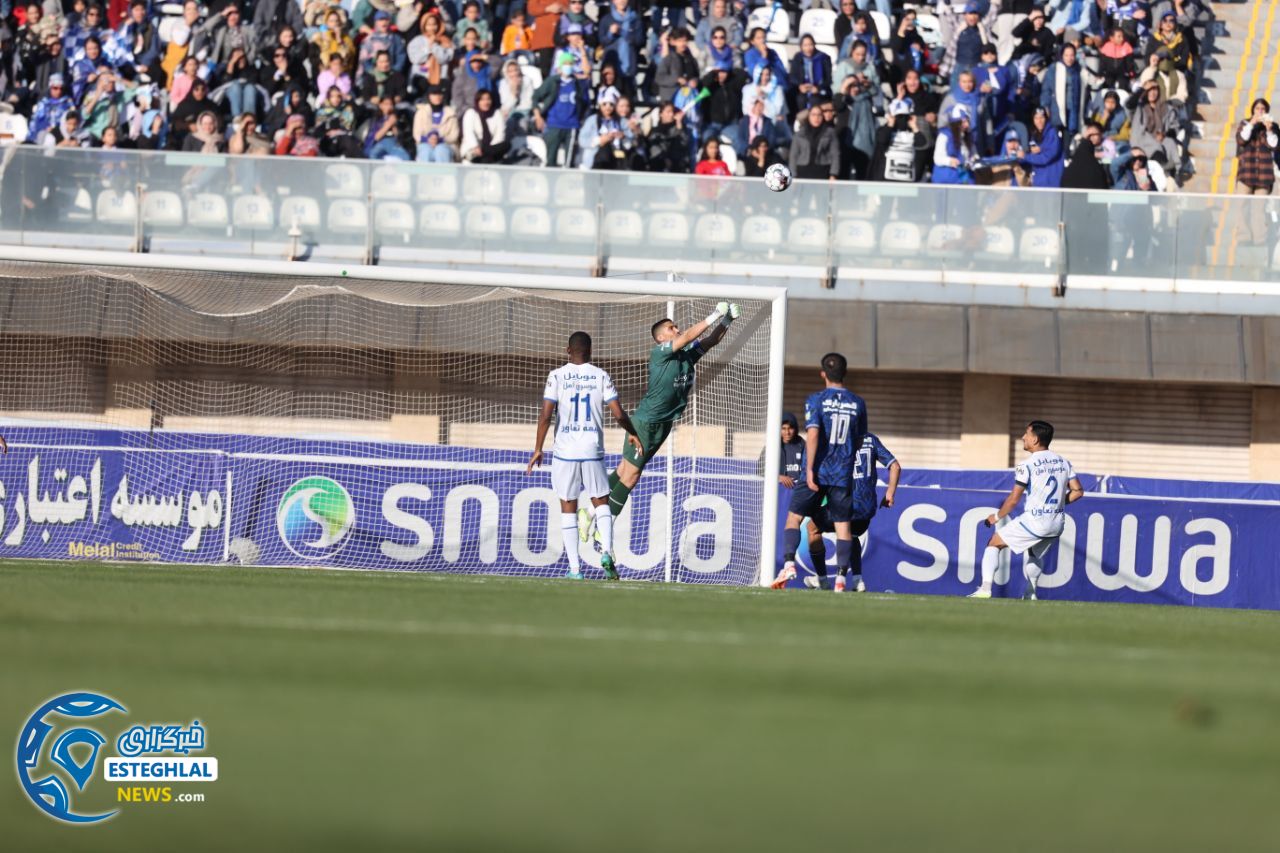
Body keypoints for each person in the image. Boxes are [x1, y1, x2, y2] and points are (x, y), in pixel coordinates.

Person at [604, 303, 742, 519]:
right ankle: (605, 527)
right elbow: (687, 336)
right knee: (631, 476)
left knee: (624, 470)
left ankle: (591, 511)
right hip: (646, 423)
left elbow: (711, 340)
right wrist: (715, 315)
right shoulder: (660, 353)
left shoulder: (686, 356)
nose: (676, 329)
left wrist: (727, 321)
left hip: (664, 423)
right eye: (671, 328)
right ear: (660, 338)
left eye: (676, 327)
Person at [526, 331, 642, 580]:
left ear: (568, 350)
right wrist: (631, 433)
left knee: (568, 506)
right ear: (590, 351)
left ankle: (575, 570)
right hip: (592, 450)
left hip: (564, 452)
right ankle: (608, 552)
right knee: (601, 501)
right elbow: (619, 414)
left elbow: (546, 415)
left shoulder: (556, 376)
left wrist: (538, 448)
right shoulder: (601, 375)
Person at [773, 352, 868, 591]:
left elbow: (813, 434)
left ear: (823, 374)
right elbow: (860, 440)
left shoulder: (816, 400)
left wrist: (809, 470)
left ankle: (789, 564)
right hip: (842, 472)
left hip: (818, 469)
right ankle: (840, 578)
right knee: (843, 526)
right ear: (844, 373)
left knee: (794, 518)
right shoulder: (858, 403)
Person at [969, 421, 1084, 600]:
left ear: (1035, 439)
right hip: (1056, 523)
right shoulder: (1064, 462)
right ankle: (1031, 593)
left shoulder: (1027, 465)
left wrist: (997, 516)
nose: (1023, 437)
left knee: (994, 543)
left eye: (1026, 433)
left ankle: (985, 589)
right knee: (1034, 553)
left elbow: (1014, 499)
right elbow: (1078, 491)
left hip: (1035, 521)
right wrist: (1055, 505)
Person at [800, 432, 901, 592]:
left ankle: (822, 580)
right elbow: (895, 466)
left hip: (844, 504)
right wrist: (890, 494)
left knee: (812, 528)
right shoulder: (871, 439)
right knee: (852, 534)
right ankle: (858, 580)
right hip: (866, 510)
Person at [532, 53, 588, 167]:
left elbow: (584, 102)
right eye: (565, 64)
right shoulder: (552, 81)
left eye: (570, 64)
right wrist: (538, 116)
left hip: (571, 126)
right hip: (554, 125)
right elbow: (536, 96)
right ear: (560, 66)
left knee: (568, 162)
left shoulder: (577, 83)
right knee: (550, 160)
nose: (568, 66)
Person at [1234, 98, 1277, 245]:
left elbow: (1275, 145)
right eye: (1257, 108)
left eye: (1263, 109)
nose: (1260, 111)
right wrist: (1251, 123)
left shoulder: (1272, 127)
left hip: (1264, 175)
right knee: (1241, 206)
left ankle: (1259, 239)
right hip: (1246, 172)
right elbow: (1241, 140)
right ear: (1252, 110)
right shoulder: (1245, 124)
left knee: (1259, 209)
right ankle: (1243, 237)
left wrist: (1269, 130)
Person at [870, 97, 930, 182]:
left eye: (905, 117)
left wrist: (914, 127)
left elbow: (922, 143)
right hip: (886, 178)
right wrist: (890, 124)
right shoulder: (885, 130)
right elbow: (882, 139)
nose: (901, 120)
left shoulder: (911, 133)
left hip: (906, 177)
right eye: (898, 116)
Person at [790, 100, 840, 180]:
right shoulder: (800, 133)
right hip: (803, 170)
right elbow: (793, 155)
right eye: (813, 115)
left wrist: (833, 174)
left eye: (819, 115)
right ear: (809, 116)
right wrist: (793, 175)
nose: (816, 118)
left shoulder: (830, 133)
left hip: (823, 170)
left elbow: (835, 154)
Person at [413, 83, 459, 162]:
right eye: (434, 94)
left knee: (441, 150)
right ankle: (424, 174)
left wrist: (439, 139)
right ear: (429, 96)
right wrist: (428, 139)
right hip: (425, 143)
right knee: (426, 151)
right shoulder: (421, 112)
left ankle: (444, 174)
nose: (437, 97)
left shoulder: (451, 113)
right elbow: (416, 134)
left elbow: (454, 135)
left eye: (439, 94)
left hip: (446, 144)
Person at [1021, 105, 1064, 187]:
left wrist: (1025, 156)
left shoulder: (1052, 133)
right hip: (1038, 181)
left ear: (1046, 119)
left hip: (1051, 183)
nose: (1039, 121)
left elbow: (1046, 158)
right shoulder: (1034, 135)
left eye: (1041, 118)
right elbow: (1032, 156)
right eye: (1036, 118)